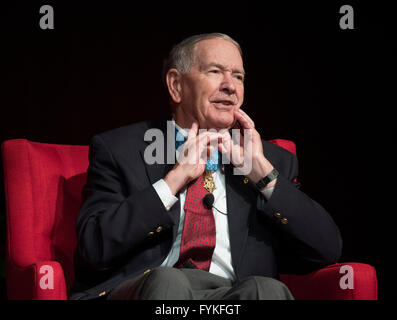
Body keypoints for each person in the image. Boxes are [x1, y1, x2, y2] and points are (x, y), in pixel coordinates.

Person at [69, 33, 342, 300]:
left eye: (238, 76)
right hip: (151, 289)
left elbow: (326, 250)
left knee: (265, 290)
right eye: (215, 71)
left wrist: (264, 176)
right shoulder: (122, 150)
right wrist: (173, 181)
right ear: (176, 85)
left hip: (229, 293)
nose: (230, 86)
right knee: (168, 281)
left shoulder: (271, 161)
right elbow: (93, 248)